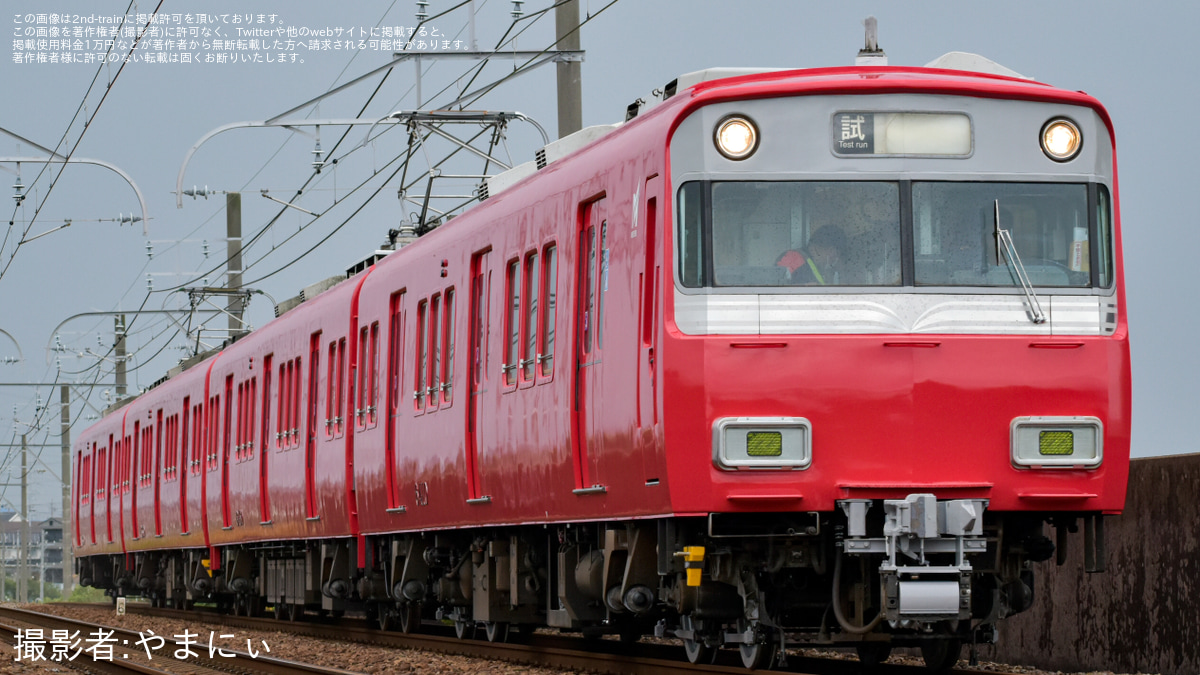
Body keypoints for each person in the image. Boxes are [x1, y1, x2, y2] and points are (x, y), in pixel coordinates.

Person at [776, 226, 847, 285]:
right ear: (831, 250)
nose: (836, 261)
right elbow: (777, 287)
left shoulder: (814, 267)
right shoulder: (792, 258)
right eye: (836, 255)